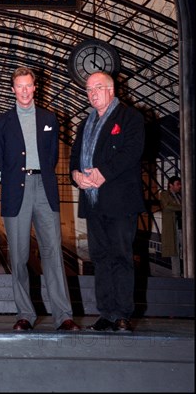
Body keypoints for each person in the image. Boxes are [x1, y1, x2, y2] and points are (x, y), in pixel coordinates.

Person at [0, 66, 80, 331]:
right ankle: (24, 315)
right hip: (15, 192)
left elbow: (52, 157)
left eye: (29, 85)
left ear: (35, 87)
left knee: (53, 253)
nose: (25, 91)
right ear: (13, 89)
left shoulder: (49, 118)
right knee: (18, 256)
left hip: (44, 188)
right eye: (20, 86)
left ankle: (63, 314)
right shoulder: (1, 122)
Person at [70, 72, 146, 333]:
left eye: (98, 88)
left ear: (112, 90)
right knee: (100, 258)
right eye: (89, 89)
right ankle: (106, 313)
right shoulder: (85, 123)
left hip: (120, 201)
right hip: (93, 201)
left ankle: (123, 314)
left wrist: (103, 173)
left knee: (121, 256)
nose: (92, 93)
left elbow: (131, 152)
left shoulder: (130, 117)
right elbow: (74, 158)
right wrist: (76, 176)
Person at [159, 176, 183, 277]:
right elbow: (167, 206)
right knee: (174, 252)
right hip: (173, 227)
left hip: (182, 227)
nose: (180, 186)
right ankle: (176, 274)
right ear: (171, 185)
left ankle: (181, 272)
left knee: (183, 250)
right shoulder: (164, 194)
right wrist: (183, 207)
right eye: (178, 184)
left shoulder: (180, 196)